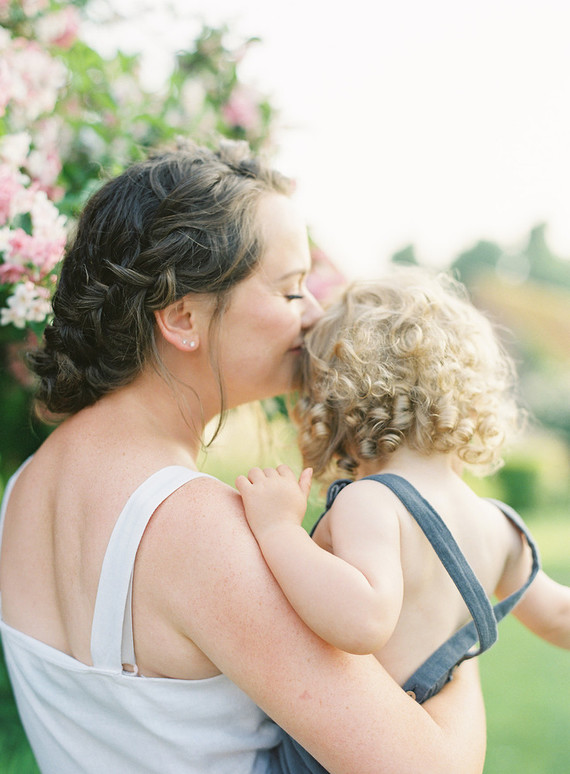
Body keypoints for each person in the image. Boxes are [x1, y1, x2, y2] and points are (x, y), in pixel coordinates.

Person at [0, 142, 487, 774]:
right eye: (289, 292)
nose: (314, 316)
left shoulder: (24, 491)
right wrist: (455, 630)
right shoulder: (195, 527)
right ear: (182, 318)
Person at [237, 269, 570, 707]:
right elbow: (560, 616)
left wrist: (278, 530)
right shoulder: (500, 526)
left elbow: (364, 619)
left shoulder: (372, 501)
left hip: (342, 748)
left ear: (334, 401)